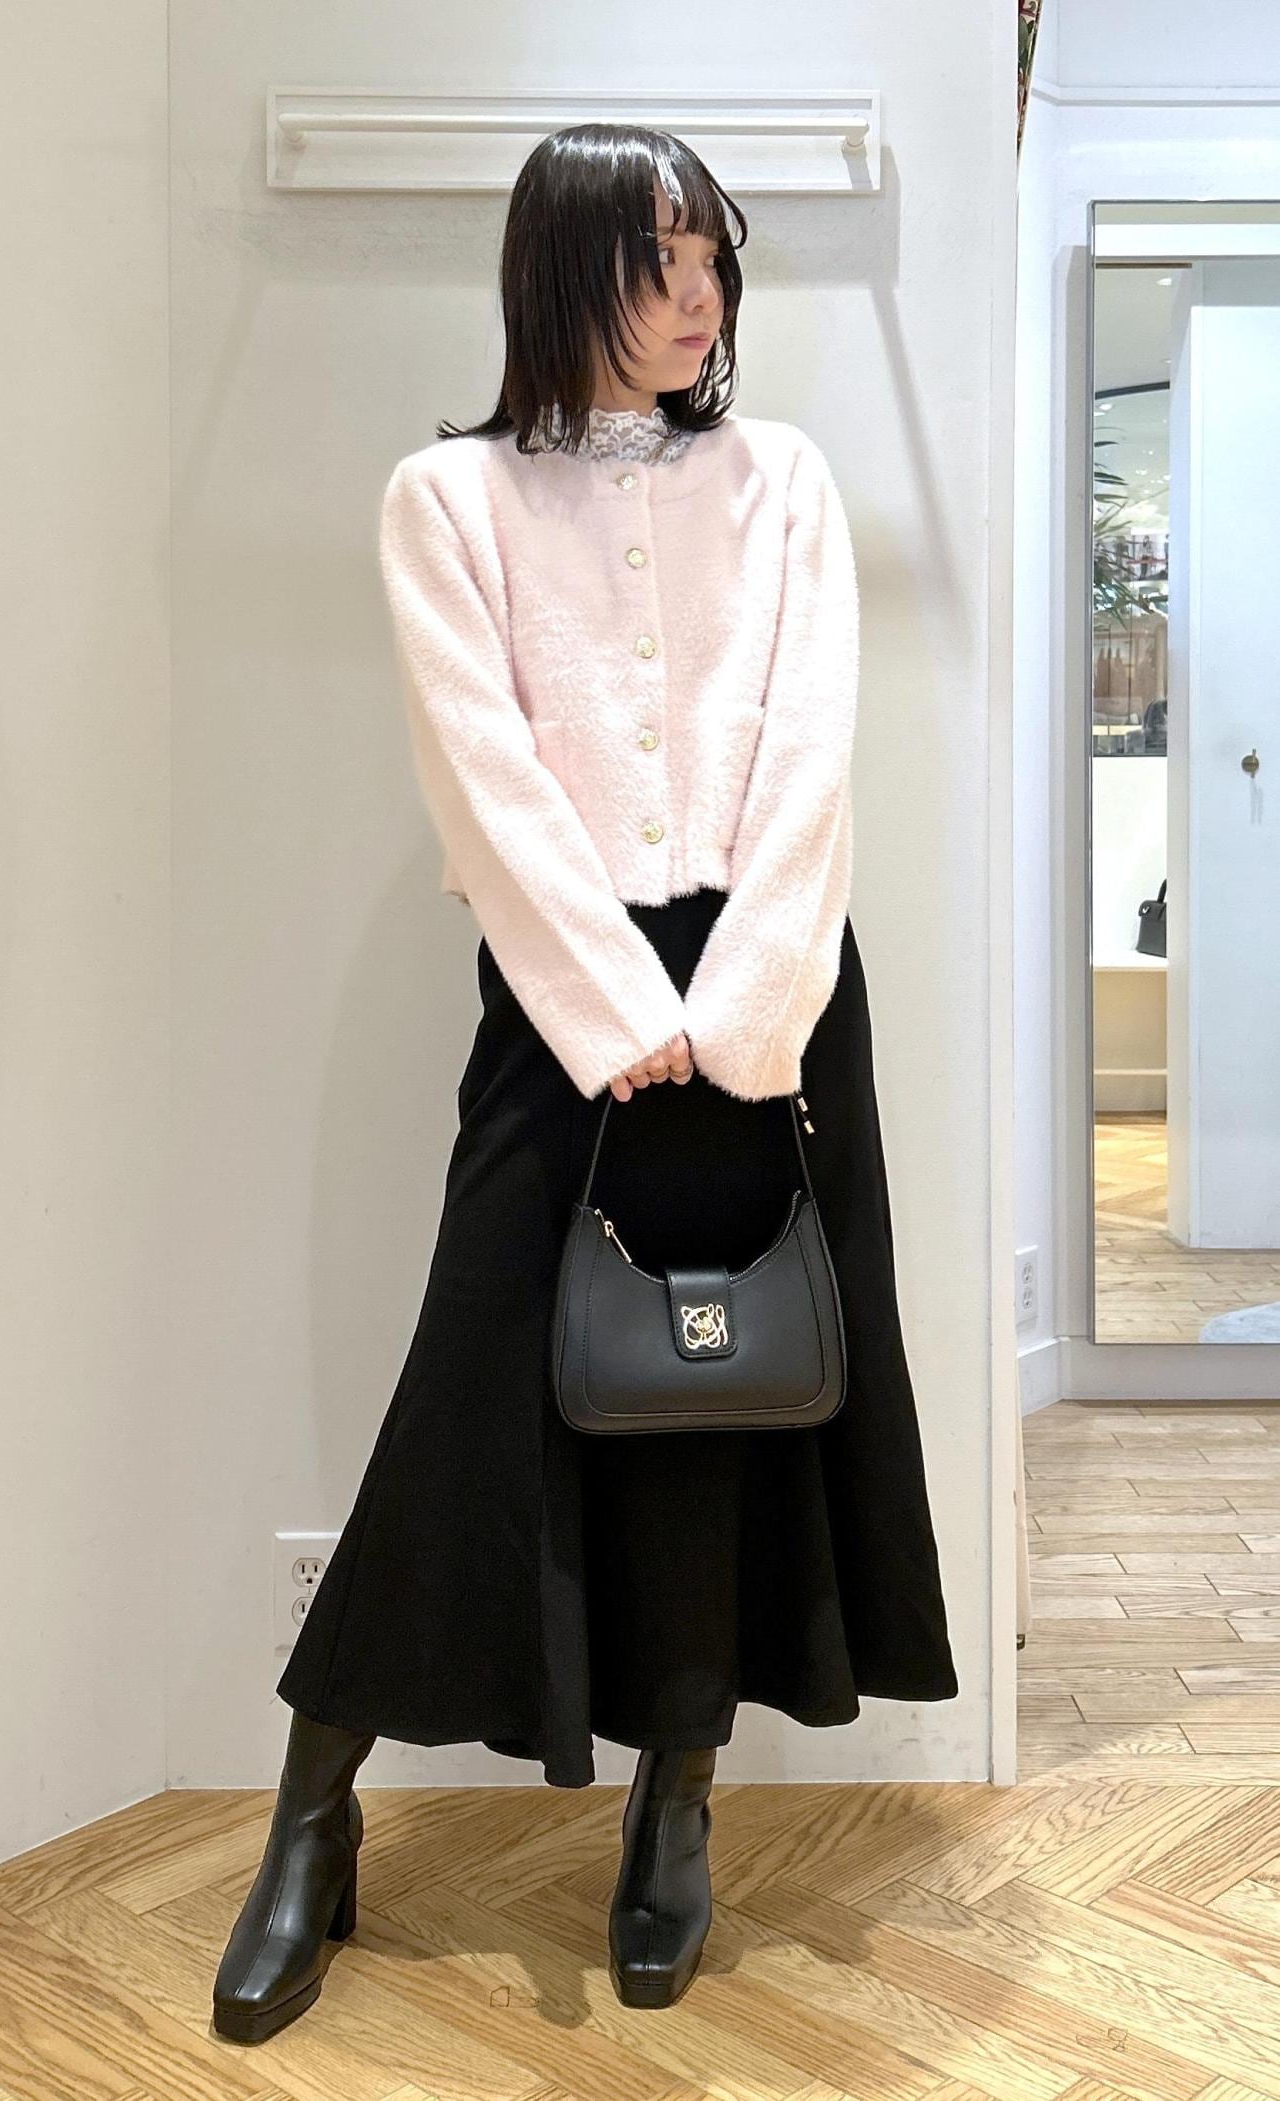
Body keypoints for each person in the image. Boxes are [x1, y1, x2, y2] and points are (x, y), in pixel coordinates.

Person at [213, 120, 958, 2046]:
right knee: (472, 1390)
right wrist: (614, 1005)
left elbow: (813, 749)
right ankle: (315, 1812)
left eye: (713, 259)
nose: (699, 296)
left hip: (776, 993)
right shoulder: (448, 500)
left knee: (723, 1398)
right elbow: (480, 775)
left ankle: (675, 1807)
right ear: (564, 271)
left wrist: (751, 1002)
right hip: (567, 1005)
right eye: (660, 260)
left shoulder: (782, 481)